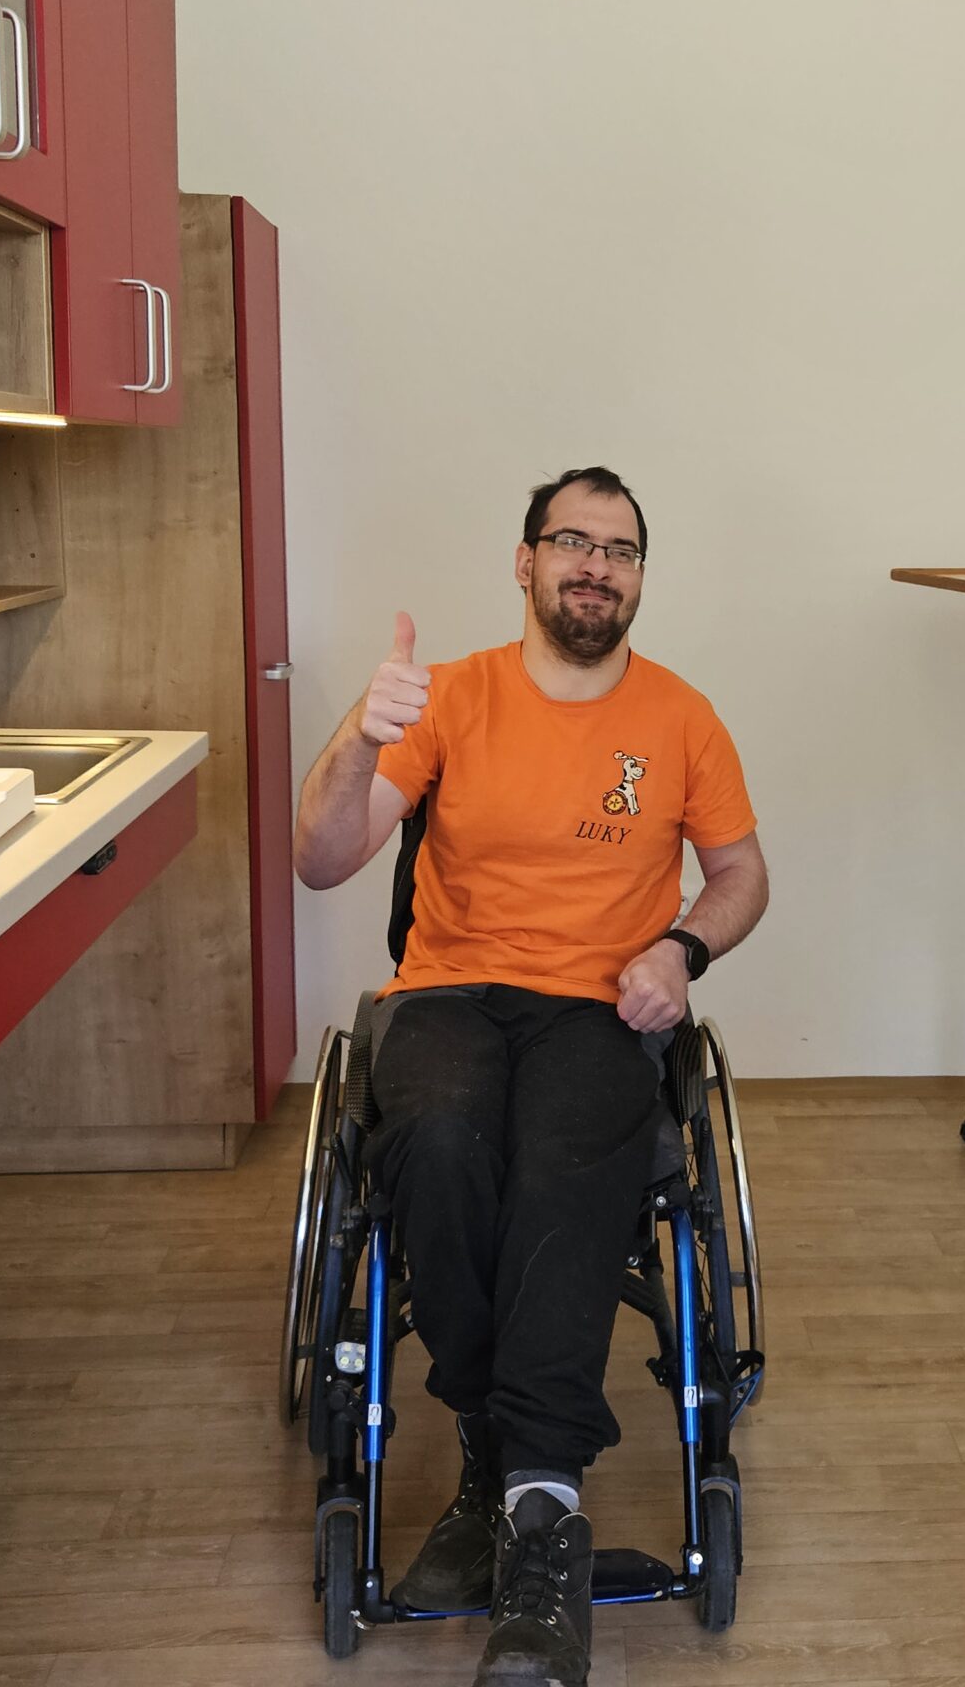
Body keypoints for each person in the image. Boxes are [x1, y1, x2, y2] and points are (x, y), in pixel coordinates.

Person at [293, 464, 769, 1687]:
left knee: (564, 1170)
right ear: (525, 562)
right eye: (572, 542)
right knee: (442, 1146)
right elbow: (322, 857)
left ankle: (535, 1514)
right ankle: (506, 1447)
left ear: (638, 577)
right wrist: (359, 737)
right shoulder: (449, 696)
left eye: (620, 549)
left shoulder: (681, 717)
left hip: (601, 1009)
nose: (596, 566)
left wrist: (682, 948)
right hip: (448, 993)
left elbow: (740, 875)